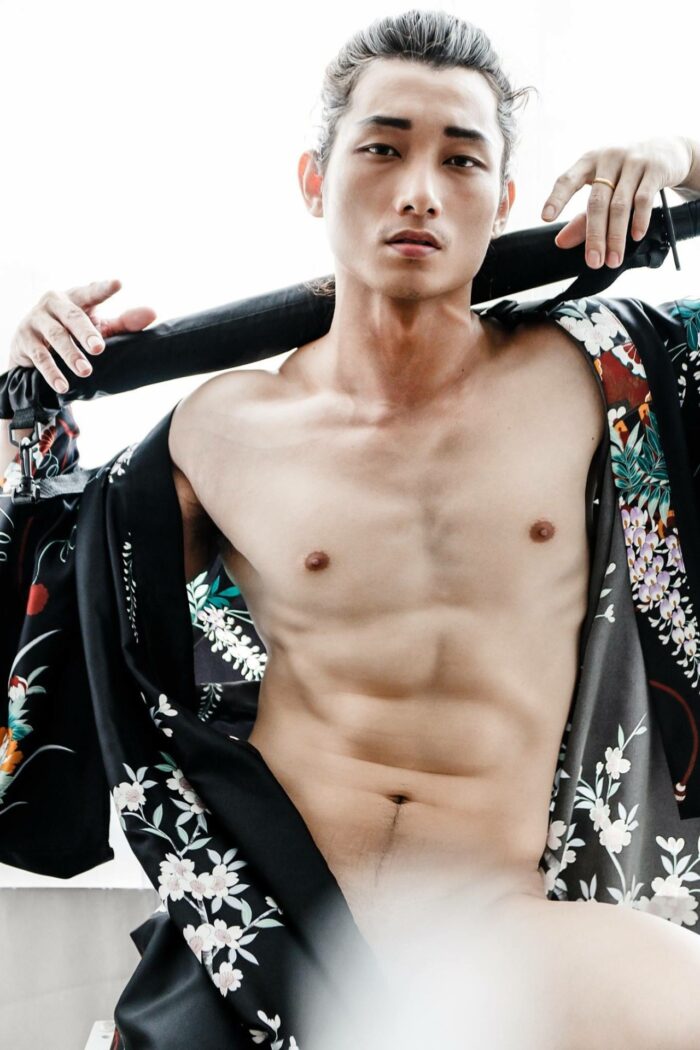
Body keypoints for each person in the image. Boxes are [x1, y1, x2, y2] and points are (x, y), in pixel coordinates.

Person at [3, 9, 700, 1048]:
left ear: (504, 198)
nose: (420, 190)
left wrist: (678, 156)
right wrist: (30, 401)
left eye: (460, 159)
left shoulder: (599, 379)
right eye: (382, 148)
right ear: (314, 180)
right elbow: (58, 602)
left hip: (493, 932)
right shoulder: (219, 431)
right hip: (266, 931)